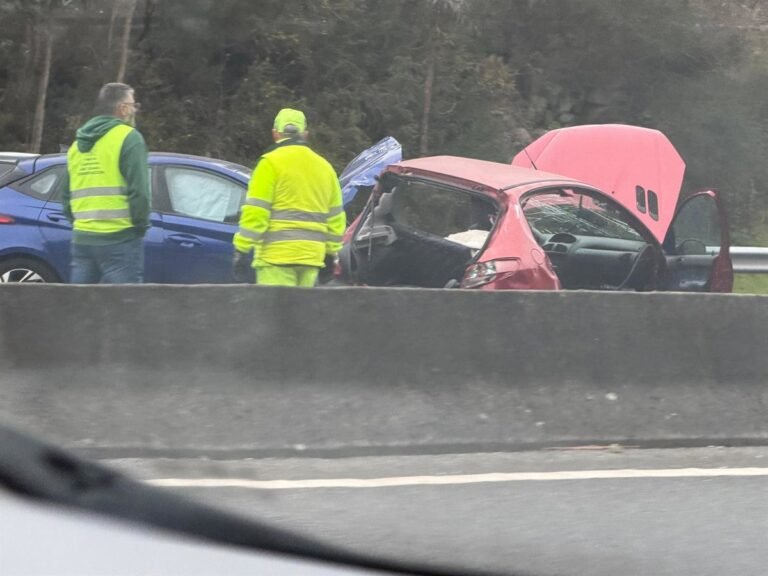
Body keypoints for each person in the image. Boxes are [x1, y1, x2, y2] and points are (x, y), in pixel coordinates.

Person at [232, 108, 345, 287]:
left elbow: (256, 212)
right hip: (311, 258)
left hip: (276, 257)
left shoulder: (269, 164)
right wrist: (331, 254)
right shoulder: (326, 168)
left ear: (275, 134)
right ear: (305, 135)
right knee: (302, 306)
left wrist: (242, 249)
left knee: (276, 306)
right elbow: (336, 218)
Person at [62, 82, 150, 283]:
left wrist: (79, 224)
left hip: (82, 238)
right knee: (122, 300)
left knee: (81, 300)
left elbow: (66, 195)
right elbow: (140, 192)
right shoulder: (129, 138)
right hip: (120, 237)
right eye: (133, 105)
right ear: (123, 108)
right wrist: (140, 226)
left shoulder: (77, 145)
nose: (134, 110)